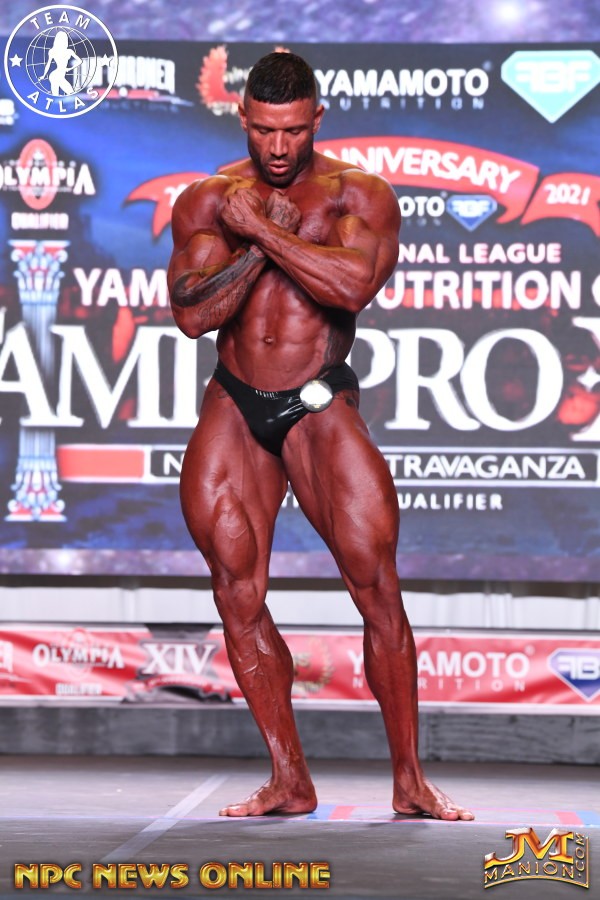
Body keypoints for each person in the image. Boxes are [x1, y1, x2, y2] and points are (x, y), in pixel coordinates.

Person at [168, 51, 473, 821]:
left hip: (318, 397)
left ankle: (409, 780)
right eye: (266, 131)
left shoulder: (357, 194)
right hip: (236, 398)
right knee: (237, 592)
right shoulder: (208, 200)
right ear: (243, 118)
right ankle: (289, 778)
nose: (279, 148)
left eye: (295, 131)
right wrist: (249, 240)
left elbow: (353, 286)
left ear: (317, 121)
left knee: (376, 585)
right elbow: (193, 313)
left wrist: (263, 236)